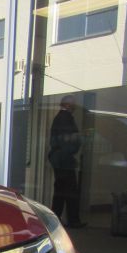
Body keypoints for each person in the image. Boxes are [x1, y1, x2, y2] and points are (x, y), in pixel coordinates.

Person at [48, 95, 85, 227]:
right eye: (73, 105)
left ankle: (56, 219)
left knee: (61, 190)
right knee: (69, 191)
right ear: (68, 105)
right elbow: (68, 140)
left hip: (60, 159)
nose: (75, 108)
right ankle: (72, 220)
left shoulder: (60, 118)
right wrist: (72, 151)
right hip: (64, 161)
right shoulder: (65, 118)